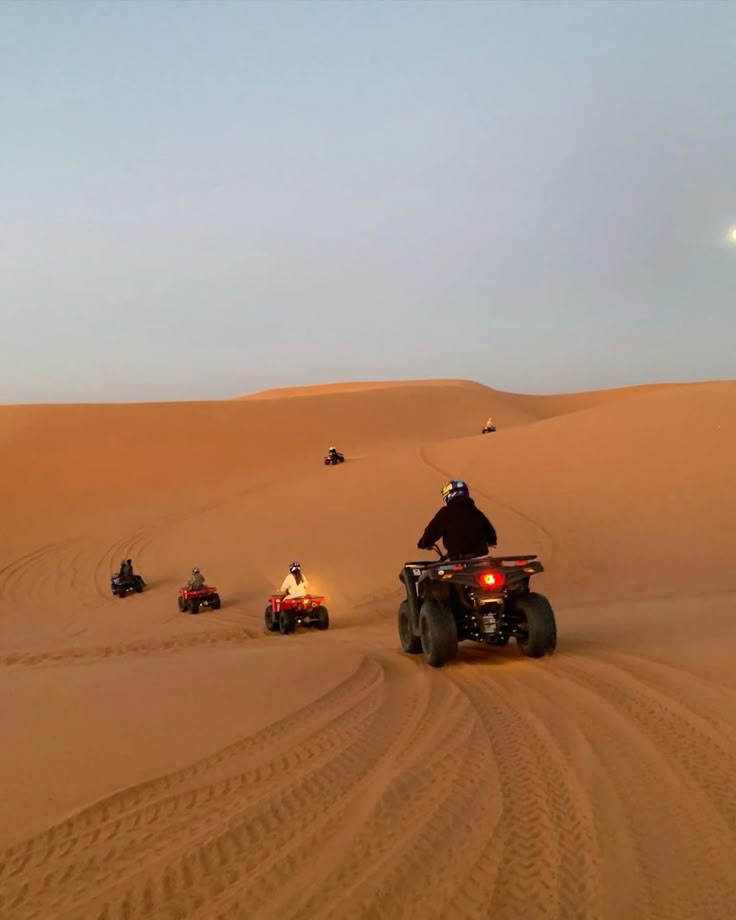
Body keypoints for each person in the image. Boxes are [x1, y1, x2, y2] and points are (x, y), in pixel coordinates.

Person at [417, 480, 497, 560]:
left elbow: (432, 530)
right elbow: (489, 530)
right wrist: (492, 541)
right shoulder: (475, 511)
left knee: (440, 566)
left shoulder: (446, 512)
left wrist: (424, 543)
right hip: (480, 557)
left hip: (458, 559)